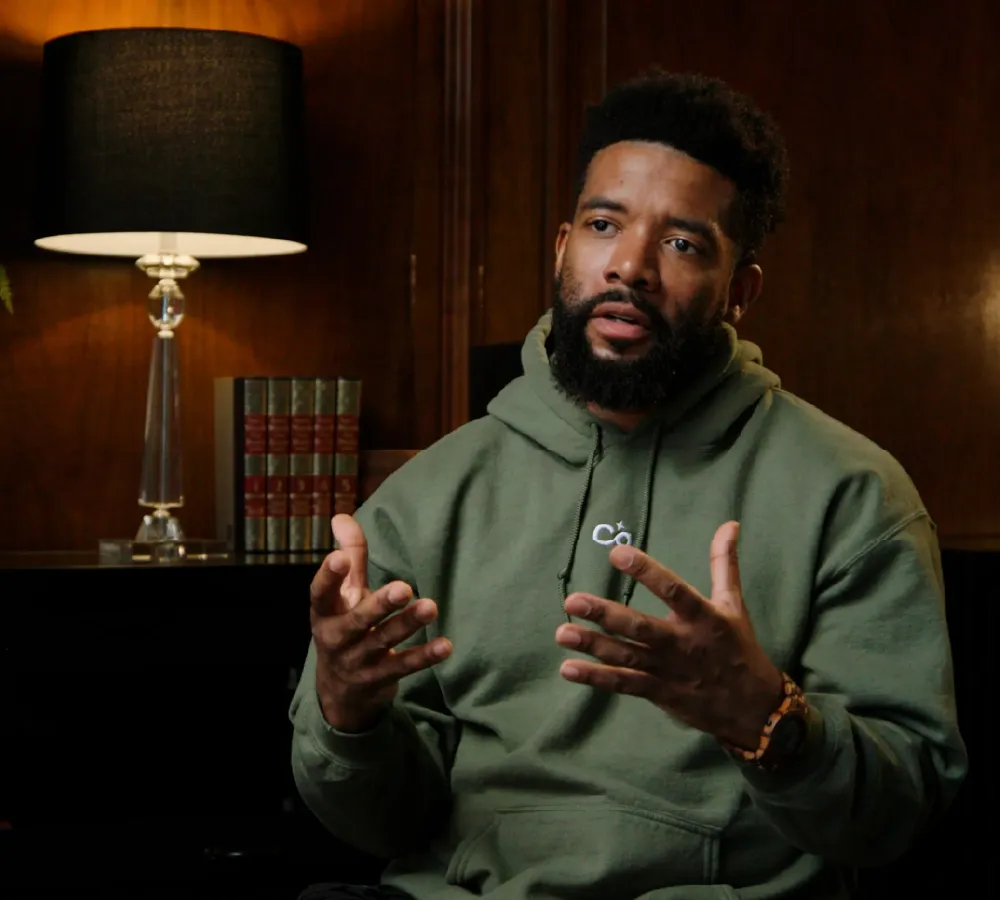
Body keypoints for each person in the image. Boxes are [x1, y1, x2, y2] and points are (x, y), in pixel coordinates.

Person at [289, 70, 967, 900]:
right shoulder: (428, 497)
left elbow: (903, 814)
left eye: (683, 243)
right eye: (606, 225)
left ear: (739, 293)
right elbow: (379, 825)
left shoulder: (853, 493)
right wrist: (347, 715)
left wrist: (767, 720)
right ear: (563, 247)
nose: (632, 267)